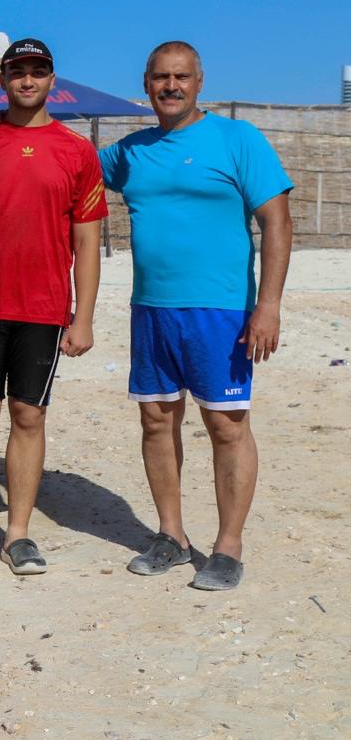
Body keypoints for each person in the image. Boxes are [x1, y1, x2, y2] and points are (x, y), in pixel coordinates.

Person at [101, 41, 293, 591]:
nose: (171, 86)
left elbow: (277, 223)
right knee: (156, 419)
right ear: (146, 84)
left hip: (222, 309)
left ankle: (228, 547)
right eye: (161, 77)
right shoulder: (129, 151)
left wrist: (269, 306)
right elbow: (65, 169)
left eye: (181, 76)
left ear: (199, 81)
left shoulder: (238, 138)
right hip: (151, 308)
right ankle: (171, 536)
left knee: (226, 426)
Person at [0, 38, 107, 575]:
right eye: (18, 71)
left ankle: (19, 533)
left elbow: (87, 239)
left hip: (43, 305)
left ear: (52, 79)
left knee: (29, 415)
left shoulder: (77, 151)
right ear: (2, 80)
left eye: (37, 71)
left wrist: (83, 317)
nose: (27, 80)